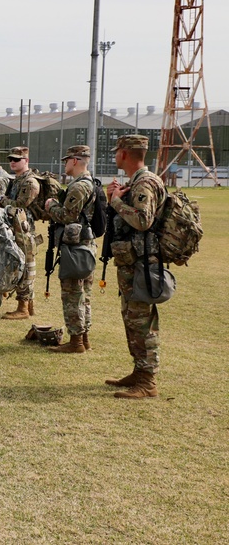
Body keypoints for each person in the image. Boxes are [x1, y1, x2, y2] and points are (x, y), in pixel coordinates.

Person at [104, 134, 166, 399]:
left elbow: (143, 220)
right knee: (132, 319)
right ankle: (139, 372)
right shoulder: (136, 182)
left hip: (142, 265)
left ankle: (148, 381)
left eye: (117, 151)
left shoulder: (145, 183)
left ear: (125, 154)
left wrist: (115, 201)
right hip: (132, 263)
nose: (115, 155)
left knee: (141, 322)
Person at [44, 145, 97, 354]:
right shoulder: (90, 182)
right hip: (86, 246)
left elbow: (67, 216)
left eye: (66, 160)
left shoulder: (79, 187)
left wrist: (51, 206)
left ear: (75, 161)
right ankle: (84, 337)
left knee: (73, 294)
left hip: (76, 248)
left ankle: (76, 342)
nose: (65, 164)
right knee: (84, 294)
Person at [1, 146, 40, 320]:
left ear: (26, 161)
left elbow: (21, 205)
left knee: (25, 266)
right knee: (20, 264)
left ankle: (23, 307)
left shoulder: (30, 182)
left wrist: (4, 201)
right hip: (15, 227)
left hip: (23, 230)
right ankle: (28, 305)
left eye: (17, 159)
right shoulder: (16, 180)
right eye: (11, 159)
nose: (12, 162)